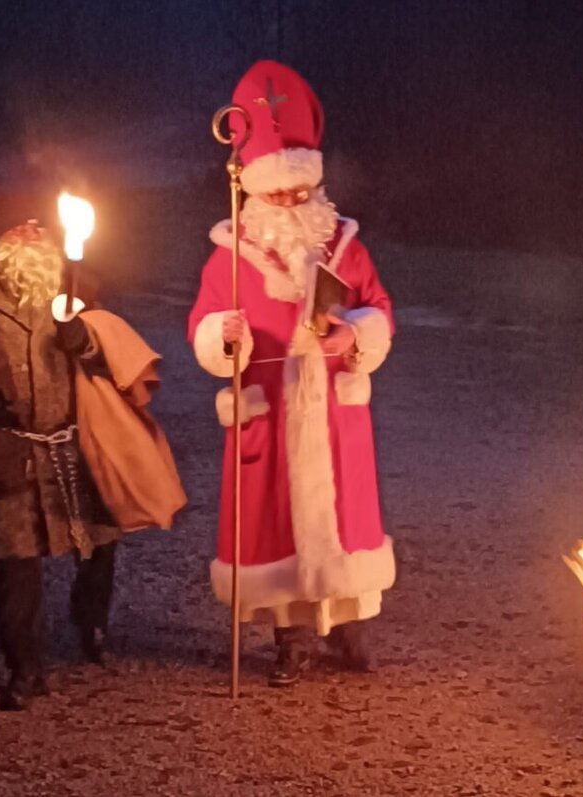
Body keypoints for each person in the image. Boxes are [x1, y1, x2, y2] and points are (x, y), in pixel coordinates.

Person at [0, 187, 184, 709]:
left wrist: (81, 340)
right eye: (17, 228)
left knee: (101, 542)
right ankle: (26, 668)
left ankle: (91, 622)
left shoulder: (76, 288)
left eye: (37, 227)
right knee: (14, 564)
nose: (31, 234)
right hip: (7, 449)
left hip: (76, 443)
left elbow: (108, 352)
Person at [188, 60, 396, 687]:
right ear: (253, 188)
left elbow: (377, 309)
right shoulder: (232, 256)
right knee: (277, 524)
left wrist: (353, 331)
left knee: (343, 520)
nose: (288, 202)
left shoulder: (345, 244)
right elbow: (207, 325)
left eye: (298, 192)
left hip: (332, 405)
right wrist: (223, 338)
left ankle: (347, 626)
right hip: (270, 407)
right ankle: (290, 639)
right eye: (277, 193)